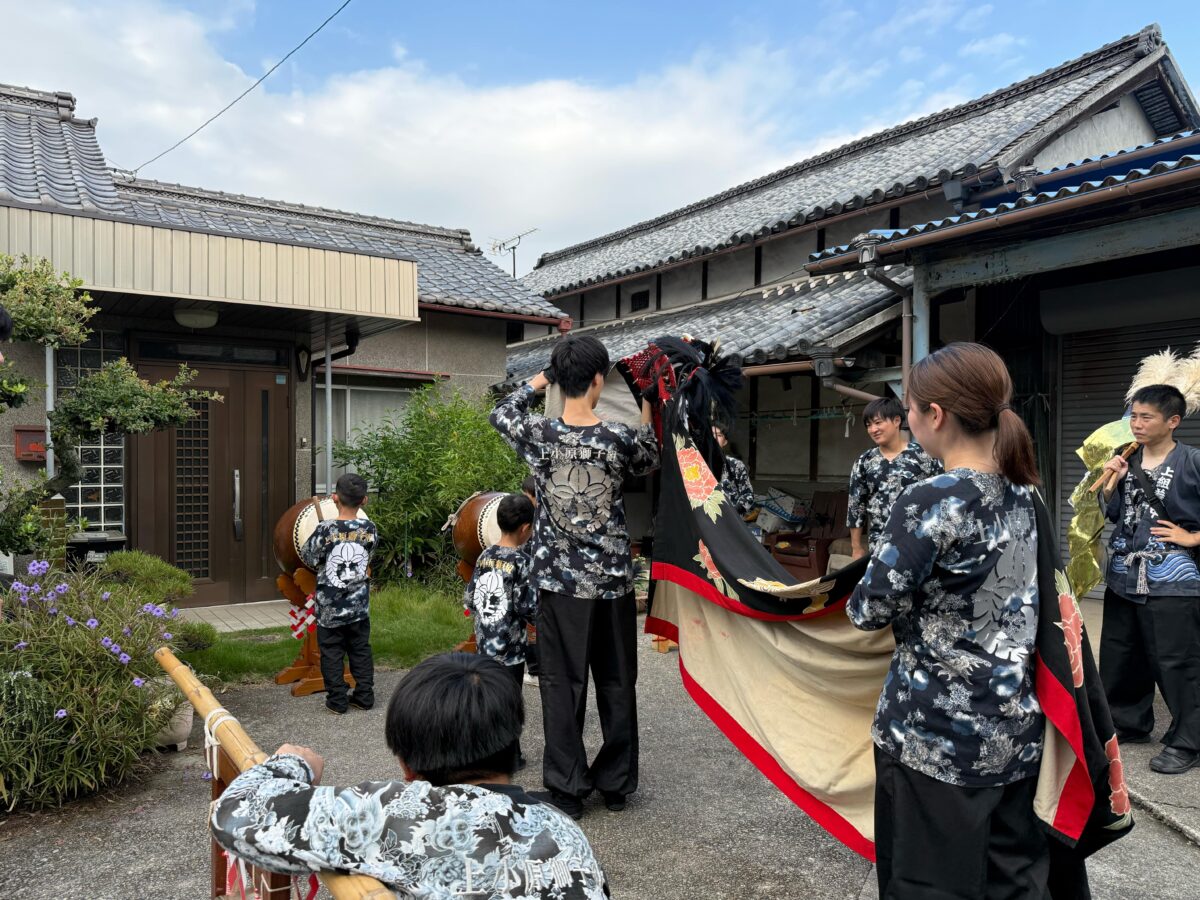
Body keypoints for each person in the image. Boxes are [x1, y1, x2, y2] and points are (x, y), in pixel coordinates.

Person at [848, 342, 1050, 899]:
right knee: (1012, 878)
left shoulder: (931, 497)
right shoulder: (1026, 491)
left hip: (933, 732)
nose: (908, 420)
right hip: (1013, 723)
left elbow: (870, 609)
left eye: (909, 410)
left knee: (927, 883)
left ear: (934, 415)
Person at [210, 652, 609, 898]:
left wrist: (293, 763)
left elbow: (235, 813)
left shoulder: (398, 815)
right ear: (511, 743)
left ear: (406, 765)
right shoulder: (563, 830)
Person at [490, 334, 659, 819]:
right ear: (599, 382)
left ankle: (567, 787)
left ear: (562, 381)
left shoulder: (540, 435)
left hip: (560, 584)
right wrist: (646, 400)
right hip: (612, 581)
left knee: (562, 684)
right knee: (617, 681)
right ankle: (616, 784)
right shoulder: (620, 437)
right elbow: (650, 456)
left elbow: (500, 412)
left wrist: (543, 377)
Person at [1099, 384, 1200, 775]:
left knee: (1177, 661)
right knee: (1123, 654)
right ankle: (1128, 722)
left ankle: (1188, 740)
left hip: (1172, 577)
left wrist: (1192, 537)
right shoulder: (1126, 458)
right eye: (1133, 416)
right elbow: (1113, 515)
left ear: (1172, 421)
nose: (1136, 424)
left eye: (1146, 417)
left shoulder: (1192, 461)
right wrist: (1111, 479)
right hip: (1124, 574)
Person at [465, 492, 538, 765]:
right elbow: (526, 607)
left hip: (484, 646)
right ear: (525, 528)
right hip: (511, 651)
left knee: (487, 700)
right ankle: (509, 755)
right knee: (509, 702)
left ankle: (485, 751)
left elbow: (471, 598)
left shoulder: (484, 555)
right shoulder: (522, 561)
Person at [299, 473, 377, 715]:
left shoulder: (325, 529)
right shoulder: (370, 528)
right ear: (364, 500)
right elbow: (368, 557)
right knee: (360, 647)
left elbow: (308, 556)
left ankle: (337, 700)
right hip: (358, 604)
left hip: (330, 605)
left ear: (334, 498)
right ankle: (364, 696)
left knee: (332, 651)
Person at [846, 396, 941, 560]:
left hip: (919, 543)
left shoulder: (924, 456)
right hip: (878, 546)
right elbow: (856, 506)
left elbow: (941, 498)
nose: (873, 429)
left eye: (878, 422)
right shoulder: (864, 461)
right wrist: (856, 548)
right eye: (868, 425)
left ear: (897, 421)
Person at [713, 424, 755, 517]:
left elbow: (748, 495)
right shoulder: (696, 465)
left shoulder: (735, 465)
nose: (714, 438)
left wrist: (734, 514)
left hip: (730, 523)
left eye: (719, 435)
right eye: (711, 435)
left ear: (725, 441)